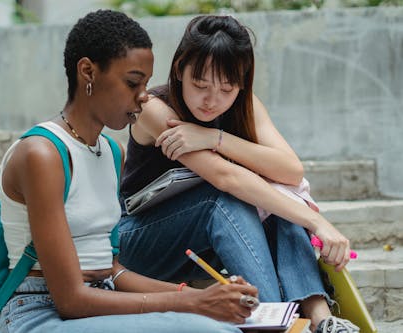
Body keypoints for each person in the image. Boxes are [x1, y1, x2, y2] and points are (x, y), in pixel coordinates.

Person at [0, 10, 258, 333]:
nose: (144, 95)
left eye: (146, 83)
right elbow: (71, 300)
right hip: (38, 313)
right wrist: (193, 302)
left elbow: (114, 271)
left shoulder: (111, 151)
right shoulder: (42, 154)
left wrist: (203, 296)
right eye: (133, 82)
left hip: (103, 301)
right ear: (87, 72)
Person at [118, 15, 359, 333]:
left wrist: (214, 138)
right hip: (140, 242)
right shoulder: (151, 107)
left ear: (241, 82)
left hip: (202, 244)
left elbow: (290, 170)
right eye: (200, 85)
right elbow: (225, 177)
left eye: (226, 88)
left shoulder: (244, 105)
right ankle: (276, 323)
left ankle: (320, 319)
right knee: (226, 198)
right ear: (179, 70)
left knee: (275, 194)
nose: (211, 100)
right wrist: (317, 221)